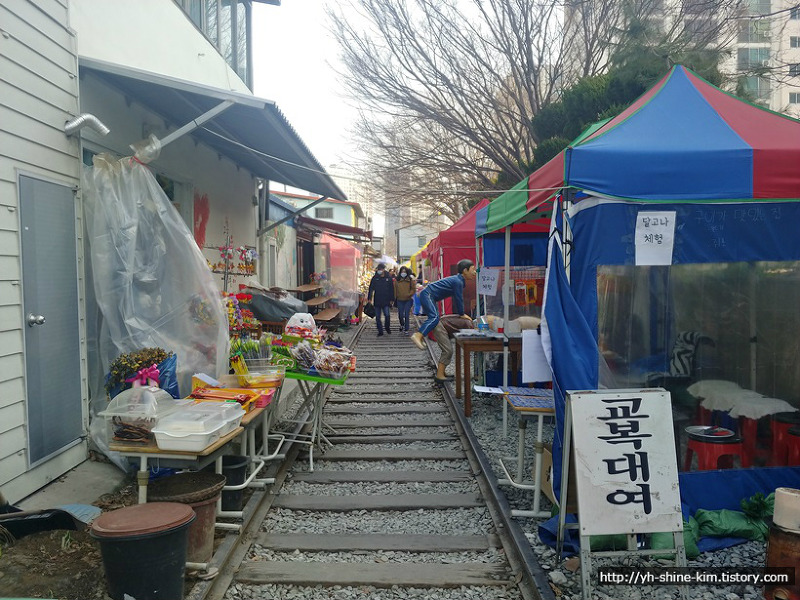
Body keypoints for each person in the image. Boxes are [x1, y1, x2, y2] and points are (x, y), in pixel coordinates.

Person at [411, 258, 476, 350]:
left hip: (429, 295)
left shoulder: (458, 280)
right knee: (434, 317)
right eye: (473, 269)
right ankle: (418, 335)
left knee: (434, 317)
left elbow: (458, 298)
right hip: (427, 294)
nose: (474, 272)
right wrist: (462, 314)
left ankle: (420, 336)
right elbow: (458, 299)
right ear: (465, 271)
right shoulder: (458, 281)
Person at [431, 315, 473, 382]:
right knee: (448, 351)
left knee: (447, 351)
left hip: (440, 324)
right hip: (440, 326)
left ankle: (442, 372)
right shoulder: (469, 325)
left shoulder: (468, 321)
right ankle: (439, 375)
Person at [367, 262, 395, 336]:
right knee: (378, 317)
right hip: (377, 300)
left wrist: (392, 299)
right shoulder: (375, 278)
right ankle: (380, 331)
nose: (379, 271)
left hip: (386, 300)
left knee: (387, 315)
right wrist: (369, 298)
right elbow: (371, 288)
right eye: (378, 269)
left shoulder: (388, 278)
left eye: (381, 269)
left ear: (383, 269)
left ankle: (387, 327)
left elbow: (391, 289)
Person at [394, 266, 416, 335]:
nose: (403, 273)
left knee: (406, 315)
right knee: (400, 315)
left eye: (405, 272)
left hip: (408, 300)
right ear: (400, 272)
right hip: (399, 300)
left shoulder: (410, 280)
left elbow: (413, 289)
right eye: (402, 272)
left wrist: (409, 294)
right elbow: (394, 290)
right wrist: (394, 298)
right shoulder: (396, 281)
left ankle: (406, 329)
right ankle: (402, 324)